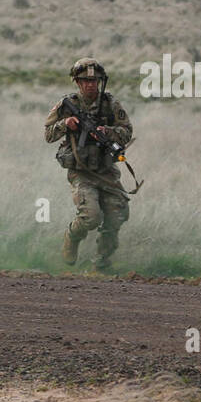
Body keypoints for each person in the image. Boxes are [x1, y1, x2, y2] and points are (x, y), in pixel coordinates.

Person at [44, 59, 134, 271]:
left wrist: (108, 132)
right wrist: (65, 125)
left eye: (94, 80)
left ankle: (101, 264)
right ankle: (72, 237)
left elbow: (127, 131)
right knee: (91, 216)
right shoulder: (67, 104)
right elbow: (48, 134)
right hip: (81, 172)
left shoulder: (110, 104)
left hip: (106, 171)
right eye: (85, 81)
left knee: (117, 215)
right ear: (77, 82)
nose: (90, 85)